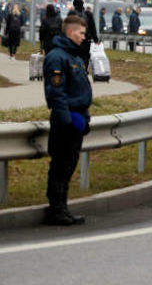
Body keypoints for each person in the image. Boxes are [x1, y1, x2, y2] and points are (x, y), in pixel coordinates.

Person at [42, 15, 93, 225]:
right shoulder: (57, 57)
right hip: (66, 121)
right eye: (81, 33)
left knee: (68, 166)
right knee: (61, 166)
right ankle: (56, 209)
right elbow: (56, 93)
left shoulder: (75, 57)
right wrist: (67, 121)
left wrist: (84, 118)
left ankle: (62, 207)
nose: (84, 37)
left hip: (76, 119)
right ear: (70, 32)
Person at [68, 0, 98, 68]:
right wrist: (95, 39)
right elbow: (92, 28)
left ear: (74, 4)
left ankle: (75, 68)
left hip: (74, 39)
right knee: (85, 56)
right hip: (86, 39)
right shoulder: (88, 14)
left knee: (75, 55)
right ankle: (84, 69)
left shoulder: (71, 13)